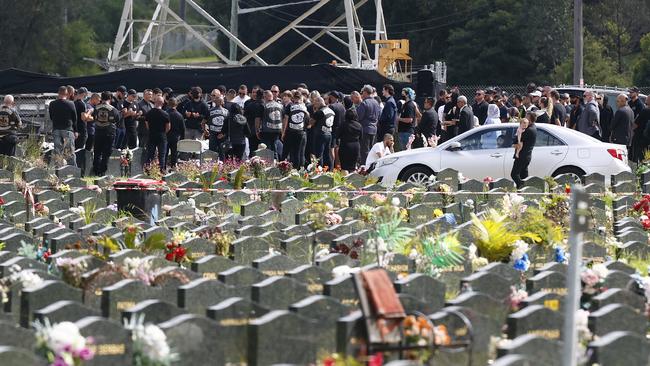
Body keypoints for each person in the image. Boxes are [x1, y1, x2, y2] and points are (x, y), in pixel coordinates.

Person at [92, 91, 120, 176]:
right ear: (110, 99)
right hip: (109, 133)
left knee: (97, 152)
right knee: (106, 153)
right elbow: (117, 119)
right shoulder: (113, 109)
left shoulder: (96, 108)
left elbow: (94, 118)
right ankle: (102, 171)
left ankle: (96, 170)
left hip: (98, 132)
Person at [49, 86, 78, 167]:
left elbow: (51, 117)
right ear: (67, 93)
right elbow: (74, 119)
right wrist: (76, 130)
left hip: (56, 129)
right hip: (68, 130)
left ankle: (58, 170)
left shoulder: (52, 104)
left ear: (58, 93)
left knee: (57, 152)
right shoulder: (71, 104)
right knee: (69, 152)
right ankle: (72, 170)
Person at [281, 91, 309, 168]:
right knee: (298, 152)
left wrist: (283, 132)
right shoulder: (304, 107)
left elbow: (286, 119)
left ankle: (282, 168)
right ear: (301, 98)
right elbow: (307, 119)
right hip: (300, 132)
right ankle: (298, 170)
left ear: (293, 98)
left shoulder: (290, 105)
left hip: (290, 131)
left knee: (286, 151)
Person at [356, 85, 381, 165]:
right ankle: (371, 167)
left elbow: (359, 117)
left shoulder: (364, 103)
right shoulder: (376, 103)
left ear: (366, 92)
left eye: (362, 92)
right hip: (374, 129)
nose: (362, 94)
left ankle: (365, 168)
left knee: (364, 151)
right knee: (371, 150)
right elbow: (379, 116)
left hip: (365, 129)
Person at [145, 95, 170, 172]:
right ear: (162, 103)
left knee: (150, 154)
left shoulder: (149, 113)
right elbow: (168, 127)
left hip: (152, 135)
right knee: (162, 155)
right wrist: (163, 132)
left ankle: (147, 170)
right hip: (161, 135)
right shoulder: (165, 114)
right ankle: (162, 171)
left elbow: (147, 126)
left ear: (155, 102)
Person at [511, 114, 537, 189]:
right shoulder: (532, 127)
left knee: (514, 174)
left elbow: (516, 140)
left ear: (530, 120)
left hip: (522, 156)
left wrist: (518, 132)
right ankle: (525, 189)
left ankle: (523, 188)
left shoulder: (528, 130)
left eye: (526, 117)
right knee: (523, 176)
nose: (524, 119)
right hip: (526, 156)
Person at [257, 90, 284, 158]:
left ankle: (269, 166)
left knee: (266, 150)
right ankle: (276, 164)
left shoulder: (263, 105)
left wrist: (257, 130)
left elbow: (258, 119)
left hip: (266, 130)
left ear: (265, 97)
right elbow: (284, 118)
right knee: (275, 149)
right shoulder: (280, 106)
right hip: (277, 130)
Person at [310, 96, 335, 168]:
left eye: (315, 103)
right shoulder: (331, 111)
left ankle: (319, 171)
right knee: (327, 154)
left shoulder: (320, 112)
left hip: (320, 134)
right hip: (329, 134)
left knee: (319, 155)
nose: (314, 105)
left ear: (319, 102)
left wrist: (314, 112)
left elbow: (311, 122)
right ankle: (329, 170)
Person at [206, 92, 230, 160]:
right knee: (222, 152)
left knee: (213, 152)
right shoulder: (227, 111)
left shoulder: (210, 111)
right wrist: (224, 133)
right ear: (222, 102)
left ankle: (212, 167)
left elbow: (203, 122)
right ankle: (222, 167)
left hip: (213, 134)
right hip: (221, 134)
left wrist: (205, 130)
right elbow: (229, 125)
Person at [73, 87, 91, 175]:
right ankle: (79, 171)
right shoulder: (82, 104)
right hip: (82, 129)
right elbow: (83, 117)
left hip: (75, 129)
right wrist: (89, 112)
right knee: (80, 151)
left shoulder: (74, 103)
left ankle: (74, 169)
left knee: (75, 150)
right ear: (84, 94)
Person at [166, 98, 184, 170]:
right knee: (174, 154)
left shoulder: (165, 113)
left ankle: (163, 167)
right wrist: (182, 138)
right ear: (176, 104)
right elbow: (182, 128)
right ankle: (173, 167)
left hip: (166, 136)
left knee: (165, 153)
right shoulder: (179, 115)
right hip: (176, 137)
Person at [244, 87, 264, 156]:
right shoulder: (247, 103)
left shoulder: (263, 103)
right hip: (251, 130)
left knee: (262, 149)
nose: (254, 94)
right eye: (253, 92)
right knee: (252, 149)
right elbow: (245, 116)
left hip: (261, 130)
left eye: (256, 92)